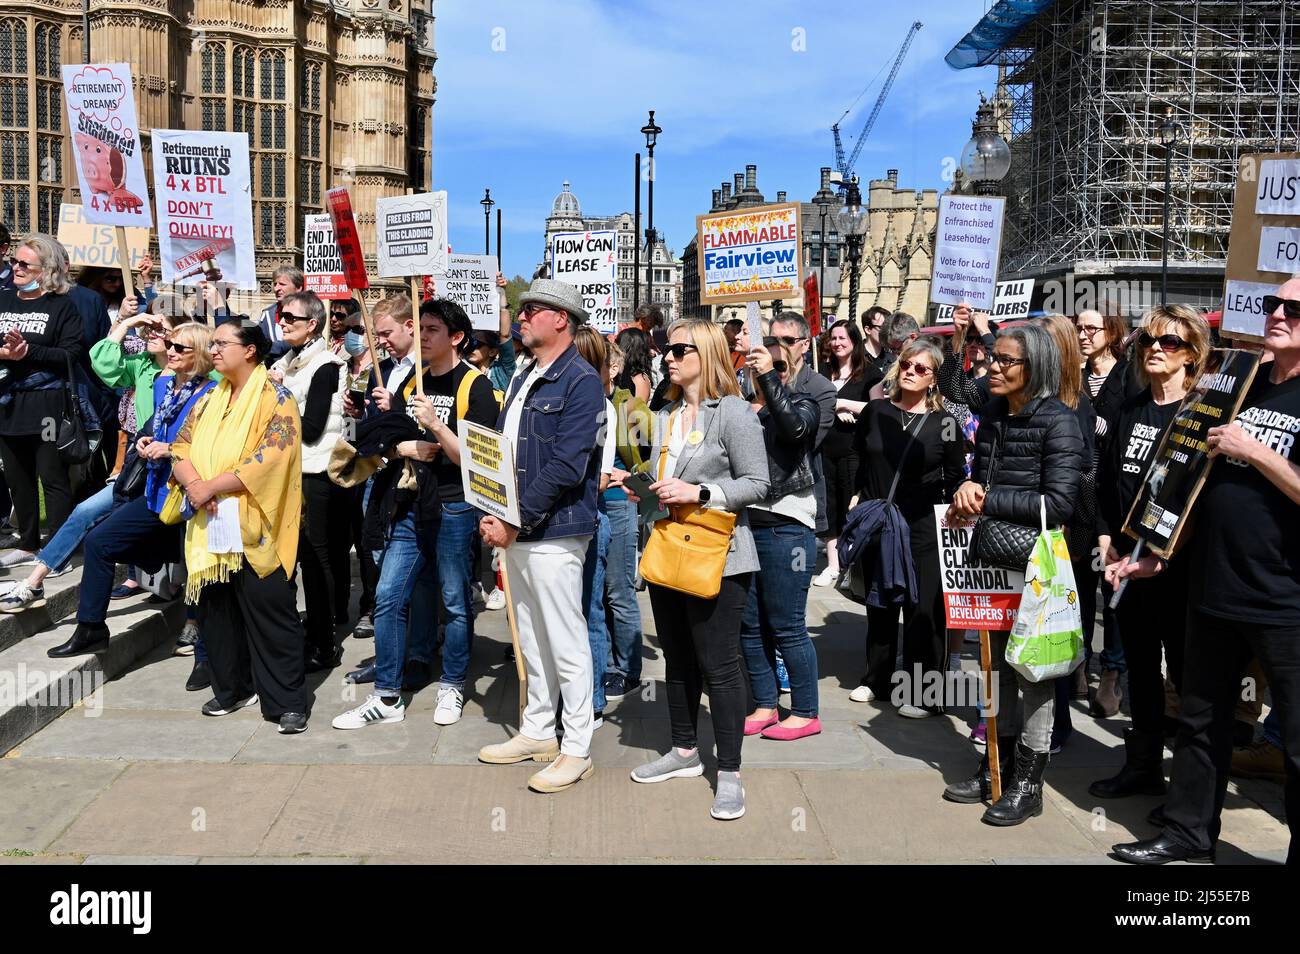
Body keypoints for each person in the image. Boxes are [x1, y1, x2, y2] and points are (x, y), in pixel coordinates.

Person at [1113, 281, 1300, 865]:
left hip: (1286, 597)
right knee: (1200, 718)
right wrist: (1159, 552)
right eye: (1274, 305)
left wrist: (1256, 451)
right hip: (1214, 584)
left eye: (1294, 309)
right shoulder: (1245, 383)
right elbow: (1196, 484)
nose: (1277, 315)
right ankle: (1189, 834)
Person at [624, 319, 769, 820]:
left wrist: (701, 492)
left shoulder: (731, 413)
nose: (668, 356)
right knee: (678, 659)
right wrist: (639, 484)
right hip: (670, 550)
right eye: (667, 348)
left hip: (721, 558)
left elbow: (759, 483)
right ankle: (684, 751)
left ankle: (729, 771)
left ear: (704, 354)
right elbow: (668, 479)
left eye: (679, 349)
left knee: (720, 665)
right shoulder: (664, 415)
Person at [943, 323, 1083, 825]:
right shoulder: (994, 413)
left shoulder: (1061, 423)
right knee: (993, 669)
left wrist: (984, 501)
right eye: (992, 358)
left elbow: (1061, 503)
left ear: (1035, 367)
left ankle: (1028, 784)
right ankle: (993, 767)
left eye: (1005, 361)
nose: (993, 367)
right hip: (991, 561)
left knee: (1035, 675)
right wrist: (967, 492)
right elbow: (978, 477)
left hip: (1037, 568)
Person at [477, 278, 604, 794]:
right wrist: (493, 509)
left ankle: (576, 748)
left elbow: (566, 466)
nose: (522, 316)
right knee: (528, 637)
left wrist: (515, 518)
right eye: (522, 309)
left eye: (533, 310)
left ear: (561, 320)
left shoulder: (581, 380)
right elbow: (504, 449)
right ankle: (536, 730)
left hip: (554, 530)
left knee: (565, 640)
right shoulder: (527, 372)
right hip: (520, 527)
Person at [1089, 305, 1209, 800]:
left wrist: (1164, 556)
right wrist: (1104, 536)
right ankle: (1141, 766)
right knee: (1139, 667)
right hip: (1124, 562)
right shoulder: (1131, 406)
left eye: (1171, 343)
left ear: (1192, 355)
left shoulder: (1201, 415)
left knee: (1185, 675)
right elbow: (1106, 475)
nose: (1156, 349)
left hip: (1176, 569)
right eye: (1149, 341)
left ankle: (1187, 789)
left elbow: (1202, 496)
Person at [168, 320, 308, 732]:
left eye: (221, 343)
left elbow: (273, 457)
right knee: (216, 612)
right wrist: (196, 485)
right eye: (212, 343)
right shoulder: (209, 397)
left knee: (269, 611)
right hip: (209, 521)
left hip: (256, 525)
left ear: (249, 350)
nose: (212, 350)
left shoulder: (276, 398)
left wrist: (212, 485)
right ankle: (231, 688)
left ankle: (286, 702)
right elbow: (180, 446)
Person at [49, 321, 216, 659]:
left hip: (193, 495)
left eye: (179, 347)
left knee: (196, 563)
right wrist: (147, 437)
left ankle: (197, 626)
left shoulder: (213, 392)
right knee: (100, 540)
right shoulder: (164, 383)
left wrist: (170, 449)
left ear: (198, 353)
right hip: (156, 491)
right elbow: (157, 421)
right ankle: (91, 628)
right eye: (169, 343)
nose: (170, 350)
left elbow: (214, 445)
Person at [334, 299, 448, 707]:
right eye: (376, 335)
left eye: (386, 333)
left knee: (409, 581)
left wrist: (394, 410)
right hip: (382, 476)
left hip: (417, 488)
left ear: (411, 327)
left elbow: (428, 430)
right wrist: (363, 409)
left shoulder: (425, 369)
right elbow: (373, 430)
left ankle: (413, 657)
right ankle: (393, 656)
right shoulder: (389, 368)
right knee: (384, 568)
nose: (379, 342)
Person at [851, 339, 965, 713]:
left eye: (921, 369)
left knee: (923, 609)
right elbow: (860, 458)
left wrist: (954, 516)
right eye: (906, 365)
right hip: (879, 520)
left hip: (923, 525)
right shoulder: (876, 412)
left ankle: (925, 693)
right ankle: (877, 679)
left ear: (934, 378)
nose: (911, 372)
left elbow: (954, 474)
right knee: (880, 601)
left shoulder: (945, 423)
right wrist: (857, 497)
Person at [739, 314, 835, 741]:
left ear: (802, 345)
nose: (775, 347)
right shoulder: (745, 392)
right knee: (750, 623)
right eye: (769, 340)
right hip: (746, 519)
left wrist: (768, 380)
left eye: (785, 341)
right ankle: (764, 703)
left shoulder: (812, 396)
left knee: (787, 623)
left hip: (786, 524)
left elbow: (795, 432)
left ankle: (805, 711)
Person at [405, 298, 499, 725]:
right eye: (419, 328)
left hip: (457, 503)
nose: (421, 337)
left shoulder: (475, 386)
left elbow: (477, 460)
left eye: (431, 330)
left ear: (456, 338)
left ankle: (454, 682)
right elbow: (395, 439)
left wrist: (437, 426)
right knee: (414, 589)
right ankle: (418, 657)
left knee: (455, 598)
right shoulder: (414, 381)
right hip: (414, 501)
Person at [270, 290, 349, 673]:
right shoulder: (288, 361)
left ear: (312, 324)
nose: (282, 322)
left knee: (316, 561)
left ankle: (324, 642)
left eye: (290, 318)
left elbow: (314, 427)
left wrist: (277, 395)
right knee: (297, 557)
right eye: (281, 316)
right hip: (290, 473)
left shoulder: (326, 365)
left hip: (315, 474)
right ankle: (310, 631)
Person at [0, 235, 84, 566]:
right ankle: (29, 543)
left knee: (50, 475)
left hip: (47, 403)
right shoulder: (3, 300)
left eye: (24, 264)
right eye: (15, 263)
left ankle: (57, 550)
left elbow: (72, 353)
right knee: (17, 477)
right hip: (8, 402)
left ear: (46, 269)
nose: (16, 268)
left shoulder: (61, 306)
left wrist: (27, 351)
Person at [1077, 307, 1139, 716]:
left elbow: (1128, 429)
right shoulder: (1073, 374)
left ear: (1111, 332)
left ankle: (1112, 675)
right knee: (1078, 583)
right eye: (1078, 328)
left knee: (1111, 585)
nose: (1083, 334)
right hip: (1078, 493)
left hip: (1112, 493)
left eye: (1091, 328)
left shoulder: (1127, 376)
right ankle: (1078, 663)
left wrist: (1091, 422)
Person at [814, 319, 877, 587]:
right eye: (834, 338)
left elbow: (877, 409)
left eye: (843, 338)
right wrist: (832, 408)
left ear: (854, 341)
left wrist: (843, 403)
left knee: (849, 506)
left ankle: (850, 564)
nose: (837, 343)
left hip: (853, 451)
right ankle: (832, 565)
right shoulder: (823, 373)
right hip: (824, 449)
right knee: (828, 507)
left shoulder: (870, 374)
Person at [603, 339, 650, 700]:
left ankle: (628, 669)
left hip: (619, 504)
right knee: (596, 593)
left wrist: (627, 479)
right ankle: (604, 665)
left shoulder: (634, 410)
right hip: (590, 506)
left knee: (619, 590)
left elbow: (651, 464)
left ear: (614, 369)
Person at [573, 326, 614, 726]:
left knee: (589, 611)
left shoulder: (603, 405)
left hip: (589, 517)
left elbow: (600, 476)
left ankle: (595, 698)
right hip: (561, 521)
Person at [257, 265, 305, 362]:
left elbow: (303, 339)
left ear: (298, 287)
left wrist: (273, 348)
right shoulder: (268, 314)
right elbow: (260, 342)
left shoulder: (309, 311)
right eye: (275, 284)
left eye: (282, 284)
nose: (276, 289)